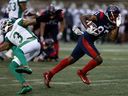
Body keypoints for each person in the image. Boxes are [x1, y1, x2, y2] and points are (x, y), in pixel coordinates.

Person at [43, 5, 121, 88]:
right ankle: (82, 72)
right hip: (86, 39)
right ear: (109, 13)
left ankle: (49, 74)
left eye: (117, 14)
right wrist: (87, 27)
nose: (116, 16)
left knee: (70, 60)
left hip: (89, 41)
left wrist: (117, 26)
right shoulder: (101, 15)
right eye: (115, 14)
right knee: (98, 60)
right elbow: (83, 17)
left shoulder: (113, 24)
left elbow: (112, 38)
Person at [0, 18, 41, 94]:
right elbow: (4, 47)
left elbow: (30, 21)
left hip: (33, 42)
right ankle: (25, 85)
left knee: (17, 50)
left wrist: (39, 19)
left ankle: (26, 67)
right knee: (12, 66)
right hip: (27, 50)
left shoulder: (18, 22)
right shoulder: (8, 36)